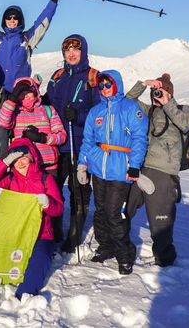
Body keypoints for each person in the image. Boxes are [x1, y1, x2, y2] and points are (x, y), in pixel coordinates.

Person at [77, 70, 148, 275]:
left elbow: (139, 139)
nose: (105, 89)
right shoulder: (96, 111)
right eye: (102, 86)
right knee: (99, 211)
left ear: (116, 85)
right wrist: (83, 164)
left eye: (108, 85)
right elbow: (88, 140)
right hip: (99, 167)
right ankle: (105, 246)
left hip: (121, 169)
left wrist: (134, 164)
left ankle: (125, 254)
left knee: (114, 213)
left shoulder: (130, 109)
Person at [125, 73, 189, 267]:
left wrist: (167, 103)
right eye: (155, 92)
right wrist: (143, 84)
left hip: (164, 172)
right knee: (125, 209)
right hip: (140, 168)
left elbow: (187, 125)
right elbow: (127, 103)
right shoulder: (148, 111)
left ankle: (165, 260)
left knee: (160, 220)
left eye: (161, 91)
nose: (156, 95)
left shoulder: (183, 109)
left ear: (170, 93)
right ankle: (120, 246)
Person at [0, 138, 63, 300]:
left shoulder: (46, 179)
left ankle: (24, 294)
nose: (20, 163)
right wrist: (4, 163)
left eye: (23, 158)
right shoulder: (10, 180)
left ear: (32, 158)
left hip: (42, 235)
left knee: (40, 260)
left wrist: (48, 203)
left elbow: (59, 209)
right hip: (15, 233)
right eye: (15, 159)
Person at [44, 34, 101, 251]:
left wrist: (77, 116)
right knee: (54, 191)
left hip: (81, 146)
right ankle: (54, 233)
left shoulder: (93, 78)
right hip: (57, 146)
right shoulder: (58, 76)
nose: (71, 53)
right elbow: (48, 104)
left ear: (83, 51)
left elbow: (99, 114)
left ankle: (74, 238)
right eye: (67, 50)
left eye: (75, 50)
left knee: (79, 192)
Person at [0, 76, 66, 174]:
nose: (25, 95)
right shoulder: (14, 112)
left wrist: (43, 138)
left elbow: (62, 136)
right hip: (24, 166)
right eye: (21, 92)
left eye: (28, 90)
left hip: (48, 165)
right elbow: (2, 122)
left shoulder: (48, 110)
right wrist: (12, 100)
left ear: (35, 91)